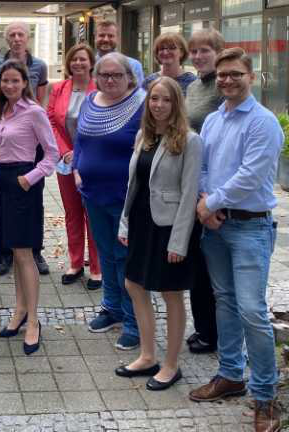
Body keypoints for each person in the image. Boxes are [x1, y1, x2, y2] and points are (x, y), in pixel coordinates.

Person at [189, 47, 284, 432]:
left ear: (251, 77)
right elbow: (202, 166)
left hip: (250, 228)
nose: (227, 80)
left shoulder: (263, 122)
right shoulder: (214, 120)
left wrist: (210, 203)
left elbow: (250, 175)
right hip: (216, 227)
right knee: (225, 303)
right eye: (223, 74)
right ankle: (230, 375)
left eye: (236, 74)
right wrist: (205, 203)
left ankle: (266, 396)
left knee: (251, 311)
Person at [115, 77, 203, 391]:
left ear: (176, 103)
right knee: (133, 284)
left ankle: (171, 365)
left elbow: (190, 193)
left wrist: (179, 242)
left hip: (169, 227)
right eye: (154, 99)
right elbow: (134, 184)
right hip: (141, 222)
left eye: (166, 100)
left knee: (171, 293)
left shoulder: (190, 140)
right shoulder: (145, 136)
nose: (159, 105)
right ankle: (148, 355)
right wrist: (125, 224)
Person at [73, 53, 145, 350]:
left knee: (124, 257)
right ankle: (111, 308)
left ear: (130, 77)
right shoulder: (90, 100)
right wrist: (76, 168)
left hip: (126, 197)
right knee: (105, 253)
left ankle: (133, 321)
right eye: (104, 75)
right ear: (96, 77)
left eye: (117, 75)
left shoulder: (142, 104)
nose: (110, 80)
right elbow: (80, 139)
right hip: (93, 194)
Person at [0, 59, 58, 355]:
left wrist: (28, 179)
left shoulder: (34, 112)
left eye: (14, 81)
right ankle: (19, 311)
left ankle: (33, 321)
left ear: (24, 83)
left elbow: (52, 154)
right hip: (3, 183)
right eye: (5, 80)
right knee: (15, 252)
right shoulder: (3, 110)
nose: (9, 85)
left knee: (24, 253)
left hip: (23, 183)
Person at [0, 21, 50, 277]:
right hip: (4, 134)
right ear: (6, 38)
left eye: (20, 34)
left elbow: (42, 98)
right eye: (12, 34)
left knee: (34, 201)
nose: (16, 38)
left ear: (27, 37)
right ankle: (4, 252)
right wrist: (0, 120)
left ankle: (34, 250)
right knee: (2, 202)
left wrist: (31, 121)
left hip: (30, 137)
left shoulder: (39, 65)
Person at [183, 28, 225, 355]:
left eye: (204, 51)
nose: (198, 57)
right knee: (197, 264)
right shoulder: (194, 86)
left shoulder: (222, 88)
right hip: (193, 181)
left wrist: (211, 194)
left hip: (213, 187)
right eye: (194, 51)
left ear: (218, 52)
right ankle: (204, 328)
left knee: (213, 268)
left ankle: (215, 333)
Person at [46, 43, 102, 289]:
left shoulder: (100, 89)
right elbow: (50, 121)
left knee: (94, 215)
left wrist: (82, 155)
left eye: (83, 59)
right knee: (72, 213)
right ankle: (76, 263)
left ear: (91, 63)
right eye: (74, 59)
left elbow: (104, 123)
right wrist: (65, 151)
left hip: (93, 163)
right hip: (66, 161)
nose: (78, 63)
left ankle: (98, 268)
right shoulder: (59, 88)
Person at [94, 20, 145, 86]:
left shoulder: (133, 66)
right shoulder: (88, 66)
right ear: (95, 38)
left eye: (110, 36)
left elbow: (138, 91)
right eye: (102, 35)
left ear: (117, 39)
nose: (106, 39)